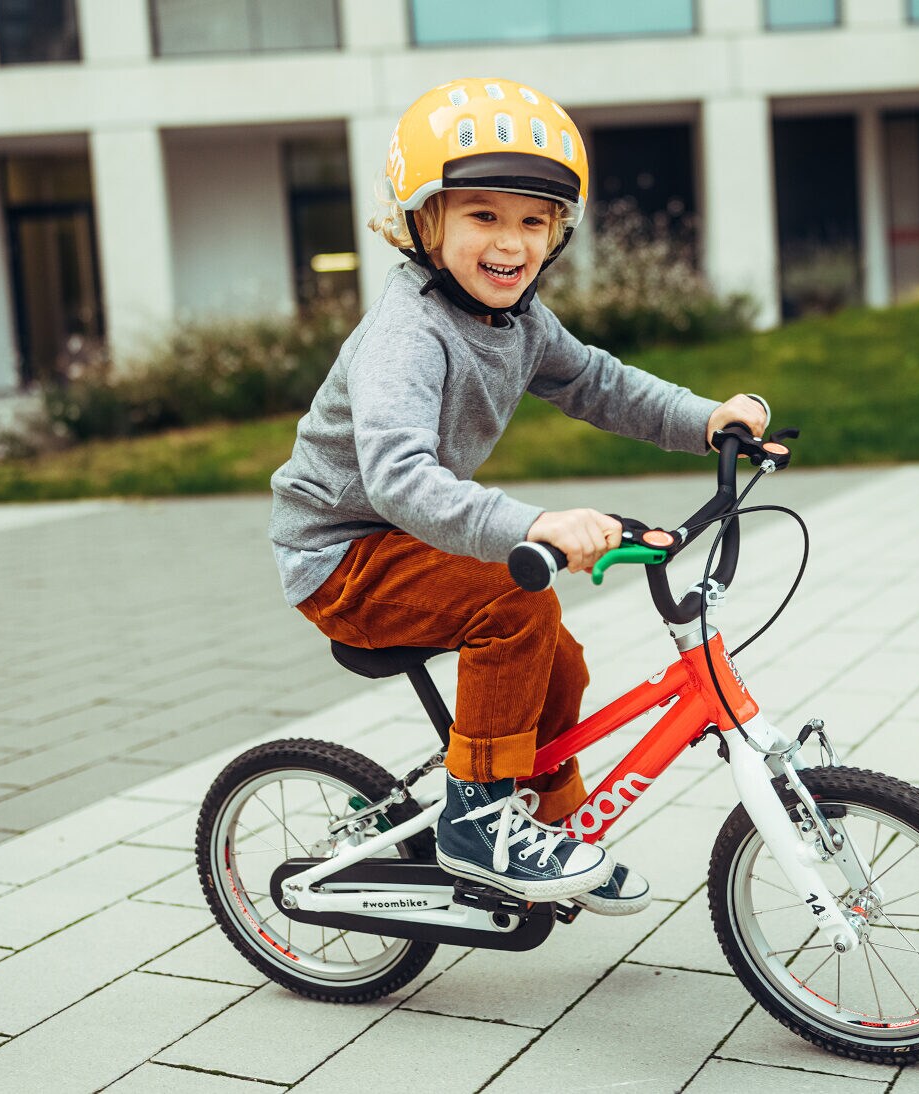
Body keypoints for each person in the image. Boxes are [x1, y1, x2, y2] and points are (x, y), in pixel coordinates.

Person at [269, 78, 769, 916]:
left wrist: (707, 420)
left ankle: (540, 816)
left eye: (533, 221)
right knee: (515, 604)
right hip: (343, 556)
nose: (512, 242)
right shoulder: (406, 333)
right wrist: (533, 525)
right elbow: (396, 477)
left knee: (558, 656)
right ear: (424, 223)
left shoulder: (521, 319)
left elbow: (597, 383)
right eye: (483, 216)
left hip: (410, 538)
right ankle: (479, 824)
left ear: (557, 234)